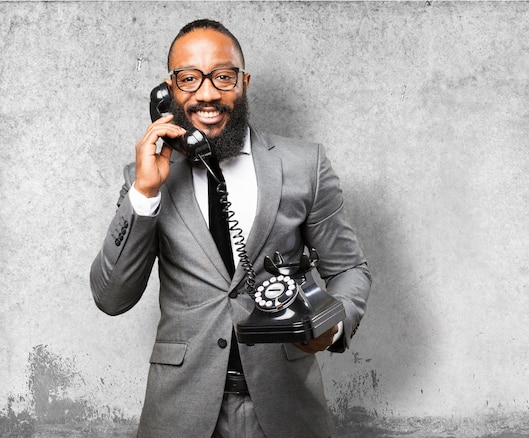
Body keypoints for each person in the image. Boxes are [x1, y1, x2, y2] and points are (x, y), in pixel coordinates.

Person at [90, 19, 371, 438]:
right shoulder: (145, 176)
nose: (207, 93)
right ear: (169, 90)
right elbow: (111, 297)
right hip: (180, 410)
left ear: (244, 81)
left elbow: (349, 268)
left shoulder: (303, 165)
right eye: (189, 79)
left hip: (285, 406)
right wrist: (145, 192)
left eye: (222, 76)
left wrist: (330, 325)